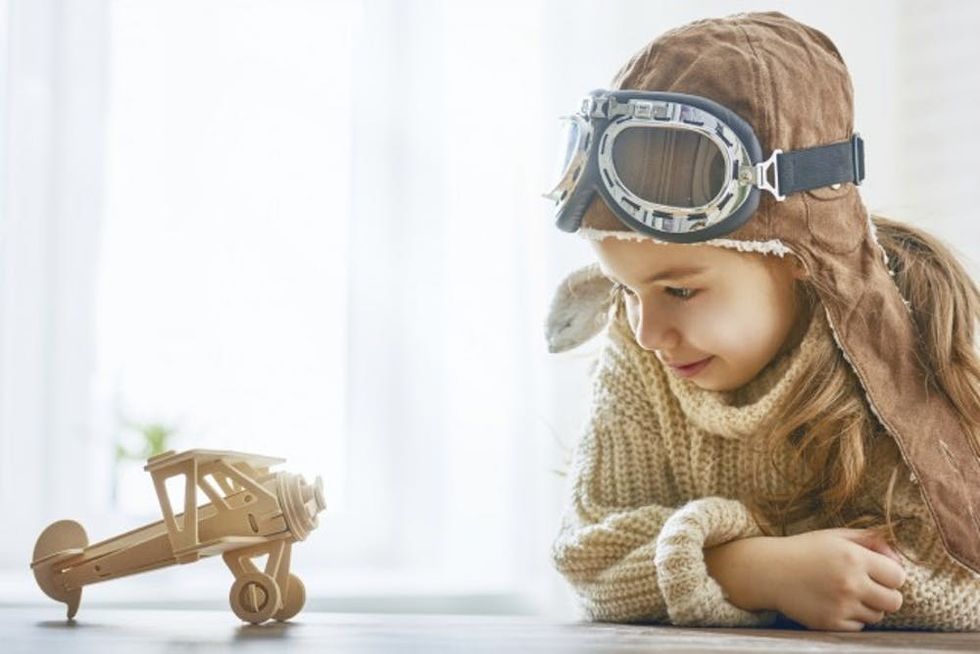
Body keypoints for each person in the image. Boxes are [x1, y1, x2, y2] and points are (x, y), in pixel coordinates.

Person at [543, 11, 980, 631]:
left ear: (799, 256)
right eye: (625, 291)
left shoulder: (900, 354)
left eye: (679, 290)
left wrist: (696, 557)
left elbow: (962, 572)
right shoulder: (638, 356)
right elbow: (588, 556)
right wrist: (755, 569)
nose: (646, 332)